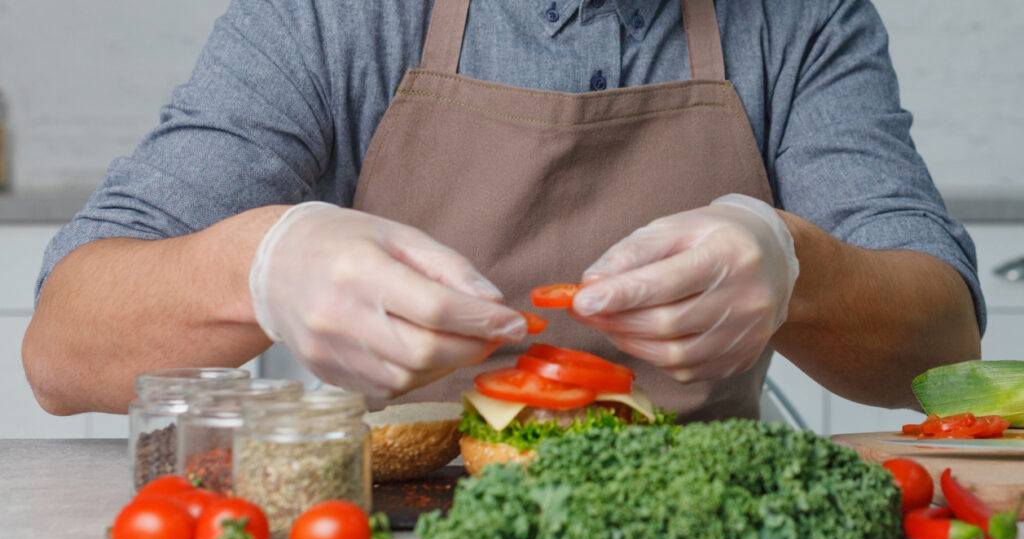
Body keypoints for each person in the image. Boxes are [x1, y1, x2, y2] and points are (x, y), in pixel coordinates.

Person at [23, 0, 982, 420]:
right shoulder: (336, 15)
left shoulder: (801, 18)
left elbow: (945, 356)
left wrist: (800, 269)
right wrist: (262, 263)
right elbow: (62, 351)